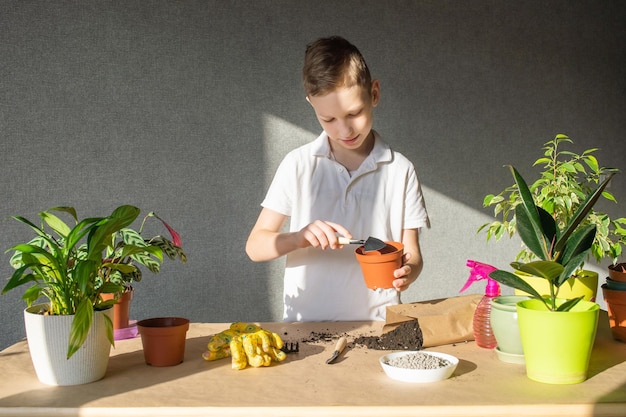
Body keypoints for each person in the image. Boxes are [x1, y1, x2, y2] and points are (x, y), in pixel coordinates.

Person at [246, 36, 430, 322]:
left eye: (354, 113)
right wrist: (299, 237)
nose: (344, 129)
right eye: (328, 119)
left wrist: (408, 272)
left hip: (378, 325)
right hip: (304, 328)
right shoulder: (298, 164)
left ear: (375, 93)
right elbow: (255, 247)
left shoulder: (401, 170)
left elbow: (413, 255)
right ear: (312, 105)